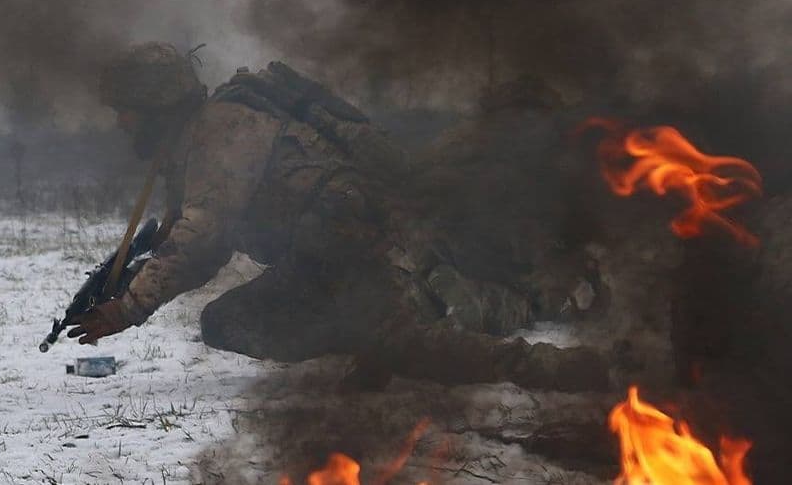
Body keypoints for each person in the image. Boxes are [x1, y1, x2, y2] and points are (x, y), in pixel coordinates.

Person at [67, 42, 609, 392]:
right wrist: (133, 283)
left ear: (154, 102)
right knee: (229, 321)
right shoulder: (202, 137)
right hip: (327, 254)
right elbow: (204, 239)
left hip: (352, 247)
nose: (121, 122)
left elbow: (204, 231)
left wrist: (128, 307)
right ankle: (378, 329)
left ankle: (546, 338)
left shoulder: (221, 127)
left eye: (125, 109)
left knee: (417, 329)